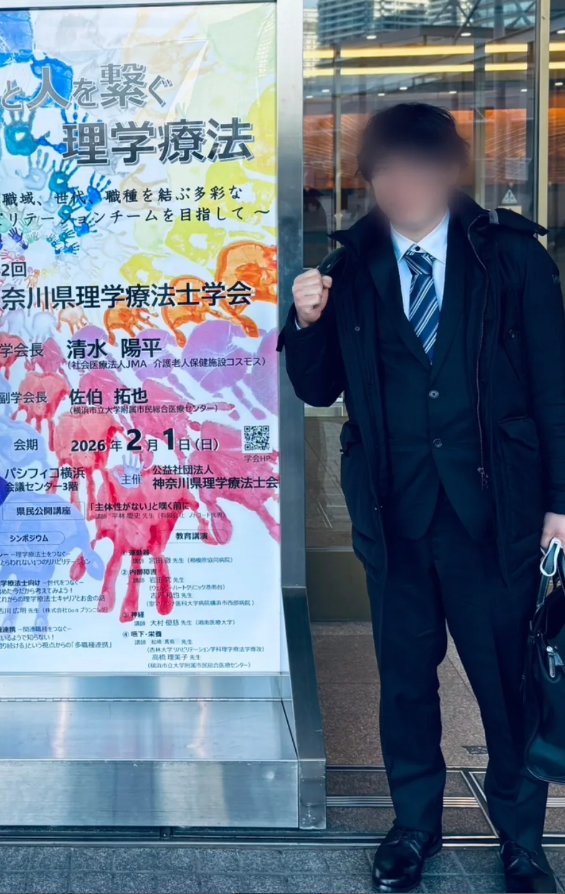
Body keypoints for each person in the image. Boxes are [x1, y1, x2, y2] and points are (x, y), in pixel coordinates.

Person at [281, 103, 564, 894]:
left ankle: (520, 840)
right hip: (394, 513)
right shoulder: (349, 266)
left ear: (450, 172)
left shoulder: (509, 257)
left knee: (504, 685)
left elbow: (553, 387)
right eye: (387, 172)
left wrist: (559, 503)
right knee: (404, 682)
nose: (403, 185)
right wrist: (305, 321)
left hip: (495, 514)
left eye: (419, 168)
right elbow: (316, 387)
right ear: (369, 180)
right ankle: (413, 826)